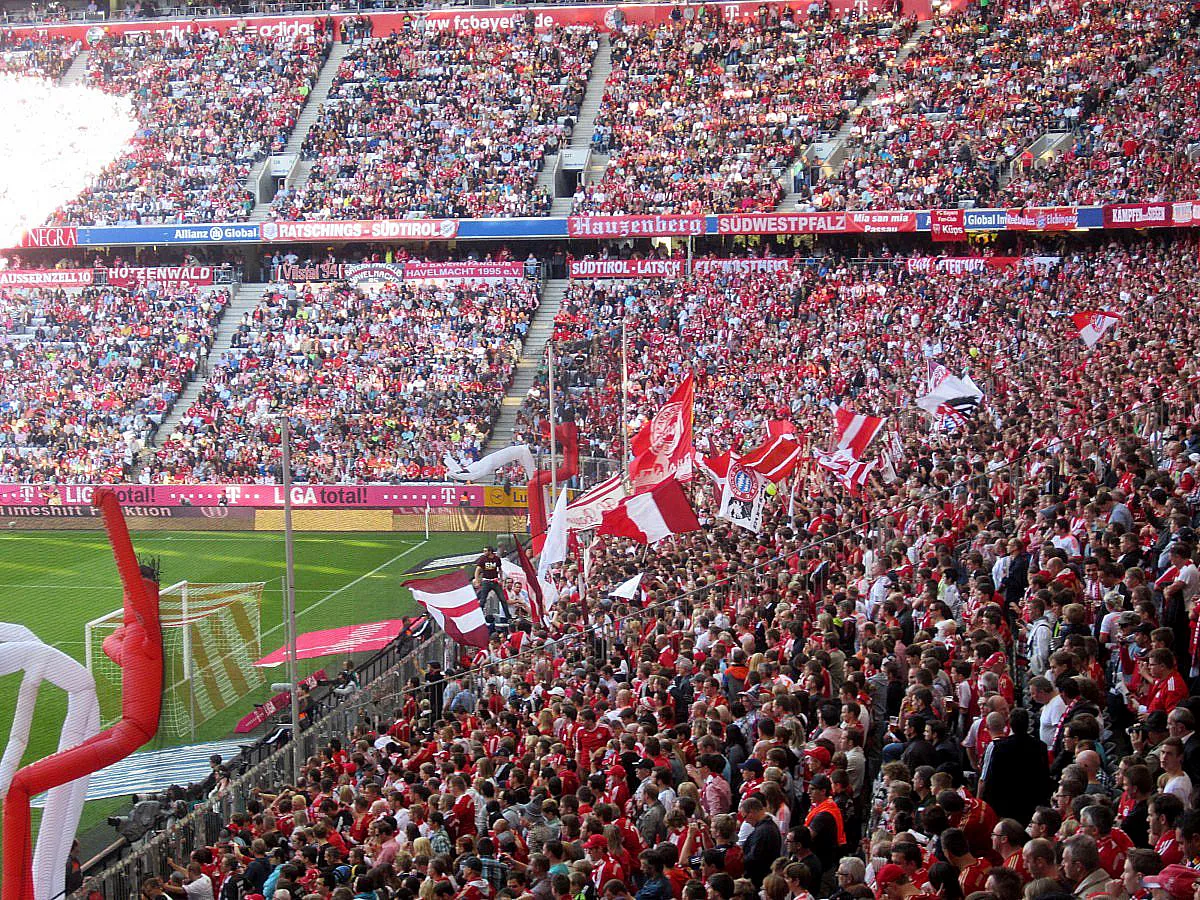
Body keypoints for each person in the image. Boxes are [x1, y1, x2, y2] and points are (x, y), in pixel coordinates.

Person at [739, 797, 781, 887]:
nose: (745, 821)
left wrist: (742, 859)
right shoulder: (768, 826)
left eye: (745, 817)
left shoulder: (763, 831)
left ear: (751, 812)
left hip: (760, 879)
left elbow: (755, 858)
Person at [1061, 835, 1109, 900]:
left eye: (1065, 860)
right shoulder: (1111, 886)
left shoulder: (1088, 897)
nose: (1062, 864)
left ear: (1078, 866)